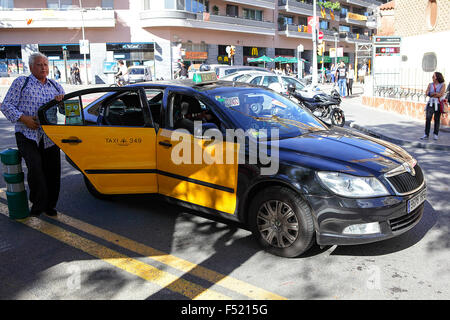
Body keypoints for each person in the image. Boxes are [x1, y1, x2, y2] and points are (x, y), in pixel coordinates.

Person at [0, 52, 65, 217]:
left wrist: (62, 102)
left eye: (45, 65)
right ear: (31, 67)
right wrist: (24, 119)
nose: (43, 68)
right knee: (35, 169)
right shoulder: (22, 82)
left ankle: (50, 205)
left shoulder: (56, 86)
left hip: (49, 137)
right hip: (26, 134)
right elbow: (6, 105)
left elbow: (66, 111)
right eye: (39, 64)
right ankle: (38, 204)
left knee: (53, 172)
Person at [421, 72, 446, 141]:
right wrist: (434, 93)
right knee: (428, 118)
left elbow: (441, 94)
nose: (432, 78)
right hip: (430, 103)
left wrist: (431, 94)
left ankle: (435, 134)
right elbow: (426, 93)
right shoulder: (430, 84)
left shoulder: (443, 85)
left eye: (433, 76)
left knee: (437, 119)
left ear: (437, 77)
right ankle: (426, 134)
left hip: (438, 103)